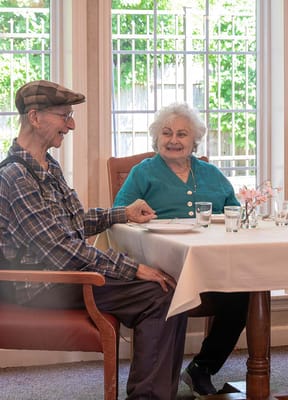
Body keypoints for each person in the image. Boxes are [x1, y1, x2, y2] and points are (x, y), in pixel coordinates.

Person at [0, 80, 188, 400]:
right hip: (43, 286)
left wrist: (121, 214)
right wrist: (133, 268)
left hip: (63, 277)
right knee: (161, 293)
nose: (71, 125)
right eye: (64, 116)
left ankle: (158, 393)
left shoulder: (47, 166)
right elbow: (61, 248)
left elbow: (72, 223)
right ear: (34, 117)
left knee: (167, 288)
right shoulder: (14, 176)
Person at [114, 102, 249, 397]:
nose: (173, 140)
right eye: (167, 133)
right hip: (164, 267)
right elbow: (119, 213)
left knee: (242, 294)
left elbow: (234, 213)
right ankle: (160, 379)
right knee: (162, 292)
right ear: (157, 138)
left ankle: (202, 367)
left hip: (211, 265)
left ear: (194, 140)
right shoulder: (143, 172)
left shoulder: (211, 173)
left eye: (182, 134)